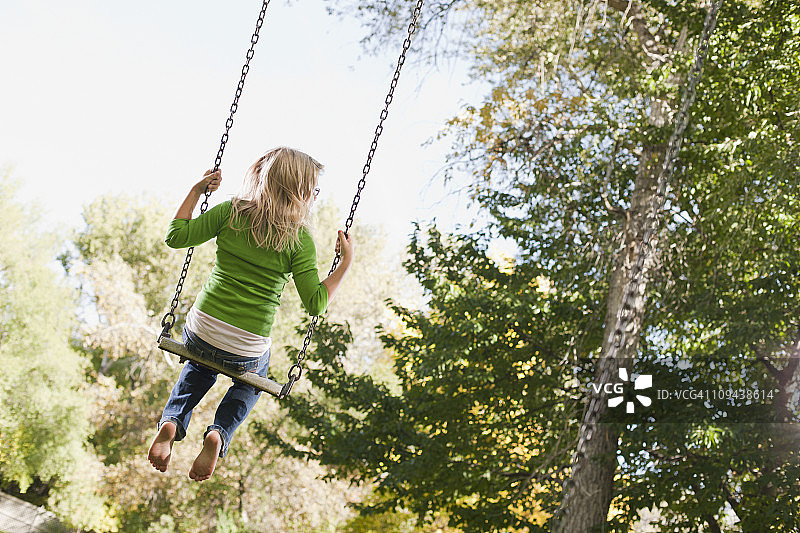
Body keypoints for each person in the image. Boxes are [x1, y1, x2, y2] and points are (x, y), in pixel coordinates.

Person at [147, 147, 353, 481]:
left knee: (199, 365)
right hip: (246, 346)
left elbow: (176, 237)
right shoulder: (299, 239)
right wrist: (344, 265)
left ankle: (172, 422)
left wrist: (197, 189)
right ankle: (219, 433)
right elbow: (315, 304)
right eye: (313, 190)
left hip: (202, 329)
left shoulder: (230, 211)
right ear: (299, 192)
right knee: (251, 381)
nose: (315, 196)